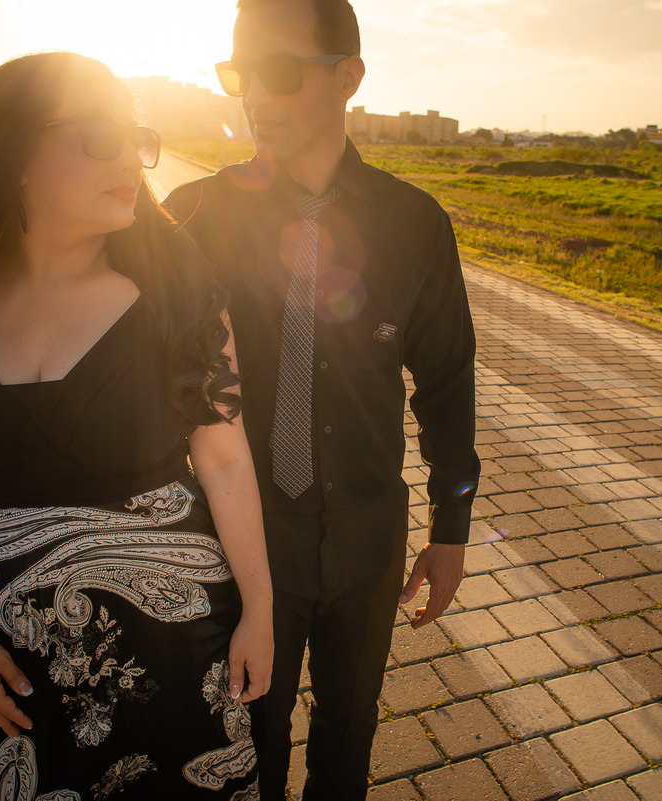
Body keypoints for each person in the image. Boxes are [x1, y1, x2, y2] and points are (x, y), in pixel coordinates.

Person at [0, 52, 272, 799]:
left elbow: (226, 462)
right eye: (101, 131)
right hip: (23, 676)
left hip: (184, 667)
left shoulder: (179, 296)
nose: (131, 158)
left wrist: (260, 613)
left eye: (135, 133)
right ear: (13, 151)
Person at [167, 1, 480, 797]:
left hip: (367, 541)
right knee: (248, 743)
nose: (254, 96)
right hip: (238, 543)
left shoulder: (413, 224)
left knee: (349, 736)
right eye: (239, 73)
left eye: (278, 71)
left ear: (350, 79)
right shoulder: (194, 220)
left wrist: (451, 530)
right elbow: (121, 386)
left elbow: (446, 381)